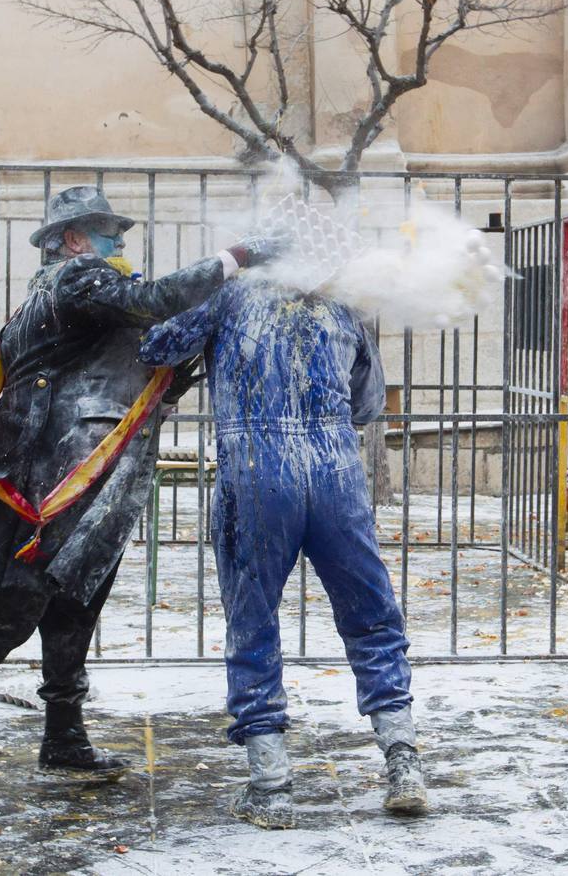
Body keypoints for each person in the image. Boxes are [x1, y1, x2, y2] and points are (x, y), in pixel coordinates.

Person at [0, 186, 286, 786]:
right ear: (72, 240)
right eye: (106, 231)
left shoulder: (83, 293)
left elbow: (121, 363)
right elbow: (154, 300)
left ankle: (63, 735)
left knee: (74, 604)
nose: (120, 241)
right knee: (7, 612)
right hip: (42, 486)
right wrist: (237, 257)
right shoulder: (75, 279)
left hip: (75, 482)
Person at [138, 277, 427, 828]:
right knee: (371, 619)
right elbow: (366, 406)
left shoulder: (229, 296)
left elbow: (157, 347)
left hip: (256, 472)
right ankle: (403, 762)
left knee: (253, 623)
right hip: (336, 474)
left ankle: (270, 787)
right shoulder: (345, 307)